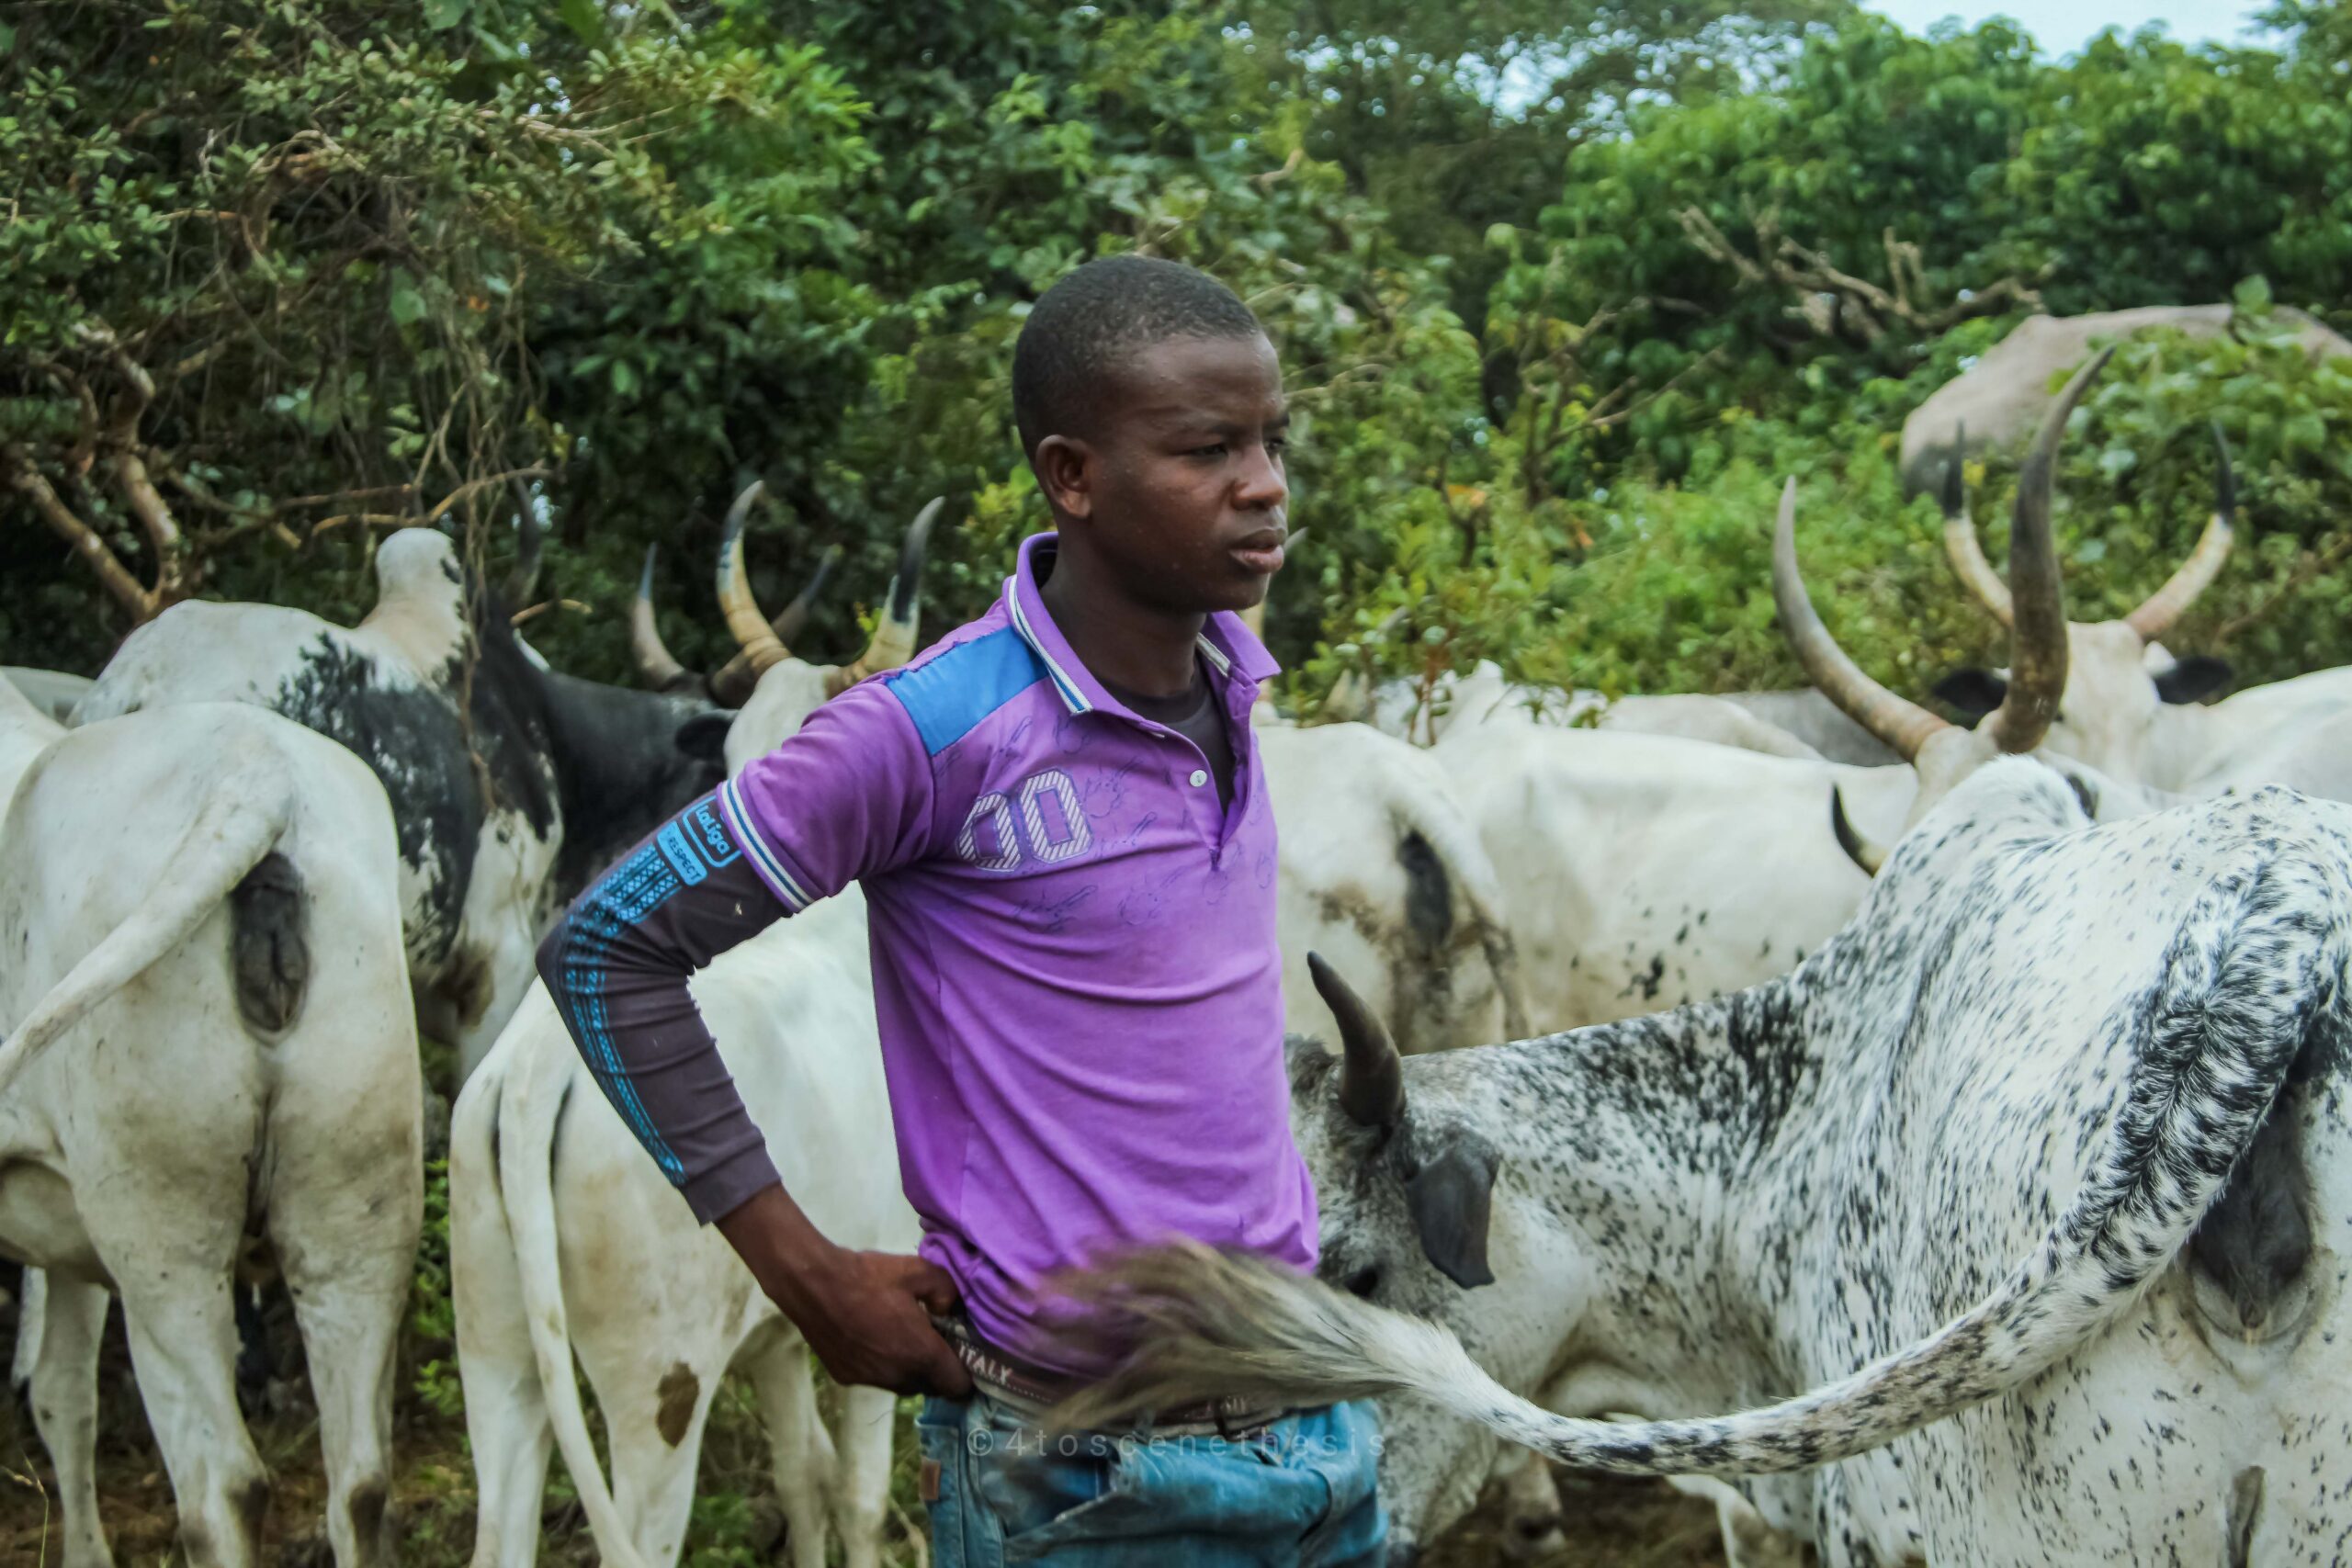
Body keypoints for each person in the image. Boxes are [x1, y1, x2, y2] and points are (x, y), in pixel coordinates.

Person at [536, 254, 1385, 1566]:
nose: (1266, 481)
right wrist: (808, 1275)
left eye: (1273, 439)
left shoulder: (1231, 678)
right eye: (1208, 448)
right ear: (1072, 476)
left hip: (1312, 1426)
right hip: (1079, 1476)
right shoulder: (931, 731)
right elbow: (606, 948)